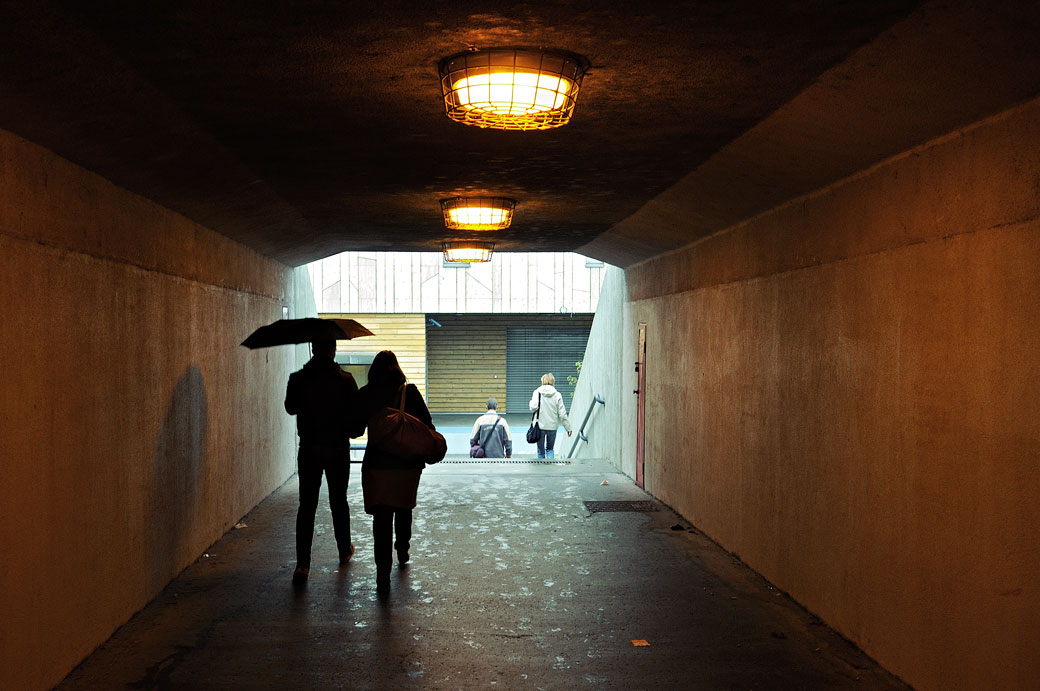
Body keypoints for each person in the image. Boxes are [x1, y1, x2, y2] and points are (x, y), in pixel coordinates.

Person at [350, 350, 434, 598]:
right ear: (397, 369)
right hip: (407, 465)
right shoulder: (410, 392)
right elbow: (428, 427)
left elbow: (354, 430)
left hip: (377, 465)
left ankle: (382, 575)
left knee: (381, 519)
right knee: (404, 508)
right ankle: (403, 550)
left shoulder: (367, 394)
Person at [284, 339, 358, 585]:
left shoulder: (299, 378)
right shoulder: (346, 380)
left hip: (309, 448)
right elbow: (354, 418)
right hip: (337, 448)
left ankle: (303, 564)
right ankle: (344, 549)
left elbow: (289, 407)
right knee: (339, 501)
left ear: (313, 349)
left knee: (307, 505)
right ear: (333, 350)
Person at [529, 373, 572, 459]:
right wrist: (568, 428)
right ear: (553, 382)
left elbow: (533, 407)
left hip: (540, 426)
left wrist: (530, 402)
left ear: (542, 381)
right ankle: (551, 470)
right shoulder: (557, 395)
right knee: (550, 449)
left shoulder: (537, 393)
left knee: (540, 451)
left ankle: (542, 471)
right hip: (552, 427)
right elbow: (562, 414)